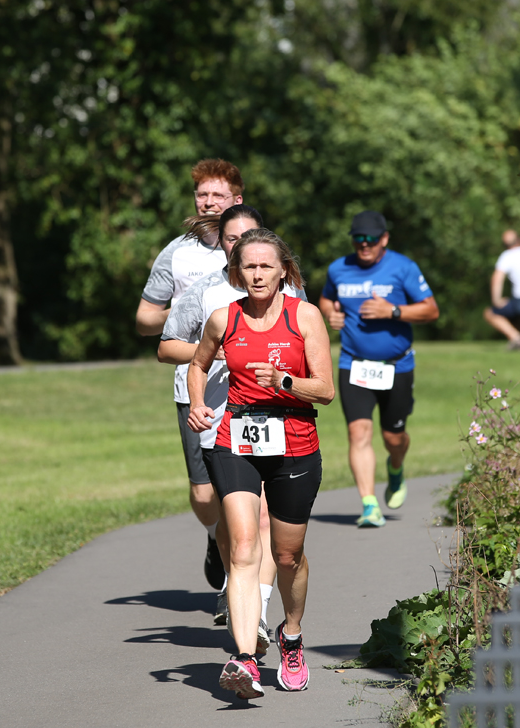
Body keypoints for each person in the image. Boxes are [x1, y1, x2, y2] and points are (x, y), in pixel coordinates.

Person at [188, 228, 334, 699]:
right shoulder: (222, 320)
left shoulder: (305, 317)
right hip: (237, 437)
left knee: (288, 555)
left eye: (265, 265)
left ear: (283, 271)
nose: (256, 274)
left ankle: (291, 635)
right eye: (248, 266)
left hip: (295, 439)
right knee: (244, 549)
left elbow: (326, 390)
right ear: (237, 272)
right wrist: (196, 402)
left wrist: (286, 380)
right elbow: (197, 364)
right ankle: (246, 658)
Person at [158, 205, 304, 652]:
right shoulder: (204, 293)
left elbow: (306, 353)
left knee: (261, 521)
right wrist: (216, 356)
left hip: (274, 417)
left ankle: (256, 617)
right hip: (220, 415)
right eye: (232, 242)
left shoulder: (291, 289)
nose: (243, 252)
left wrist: (287, 380)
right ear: (222, 246)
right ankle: (231, 580)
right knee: (223, 517)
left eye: (251, 241)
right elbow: (167, 347)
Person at [136, 159, 244, 596]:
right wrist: (188, 310)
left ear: (237, 199)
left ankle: (236, 590)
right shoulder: (178, 253)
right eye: (203, 195)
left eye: (218, 195)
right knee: (204, 493)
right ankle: (215, 536)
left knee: (244, 491)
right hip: (195, 383)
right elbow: (145, 320)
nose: (209, 202)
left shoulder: (256, 246)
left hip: (252, 384)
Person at [319, 211, 439, 528]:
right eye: (358, 239)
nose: (364, 245)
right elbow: (326, 299)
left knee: (393, 437)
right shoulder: (338, 269)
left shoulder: (403, 267)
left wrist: (393, 310)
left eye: (371, 239)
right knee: (358, 432)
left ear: (384, 239)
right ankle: (369, 504)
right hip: (353, 363)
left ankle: (396, 466)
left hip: (396, 366)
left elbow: (431, 310)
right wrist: (331, 315)